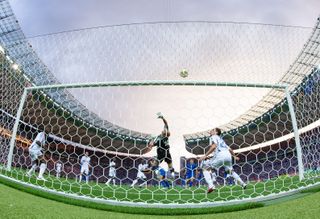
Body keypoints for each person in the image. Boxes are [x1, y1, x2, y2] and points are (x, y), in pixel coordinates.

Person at [199, 128, 247, 193]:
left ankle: (211, 186)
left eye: (213, 130)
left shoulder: (213, 137)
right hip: (228, 156)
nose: (210, 131)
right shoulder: (221, 140)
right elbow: (230, 149)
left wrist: (205, 155)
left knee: (205, 168)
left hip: (220, 155)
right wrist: (234, 156)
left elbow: (214, 146)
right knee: (230, 171)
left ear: (216, 133)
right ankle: (242, 183)